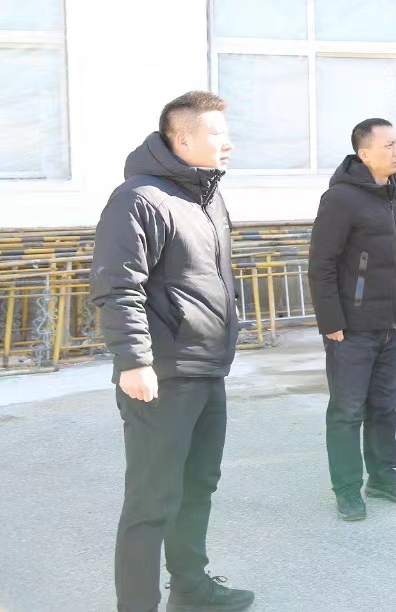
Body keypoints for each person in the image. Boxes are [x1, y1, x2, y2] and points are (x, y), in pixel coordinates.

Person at [90, 91, 255, 612]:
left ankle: (191, 588)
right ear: (182, 140)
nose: (227, 143)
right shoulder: (138, 198)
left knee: (198, 486)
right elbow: (118, 285)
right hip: (162, 376)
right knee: (152, 501)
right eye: (216, 133)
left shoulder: (206, 196)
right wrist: (134, 361)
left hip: (207, 368)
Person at [309, 118, 396, 521]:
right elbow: (321, 264)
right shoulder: (341, 199)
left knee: (385, 406)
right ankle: (347, 488)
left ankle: (383, 476)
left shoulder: (394, 194)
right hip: (352, 328)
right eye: (388, 145)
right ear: (364, 153)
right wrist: (331, 322)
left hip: (390, 323)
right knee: (347, 411)